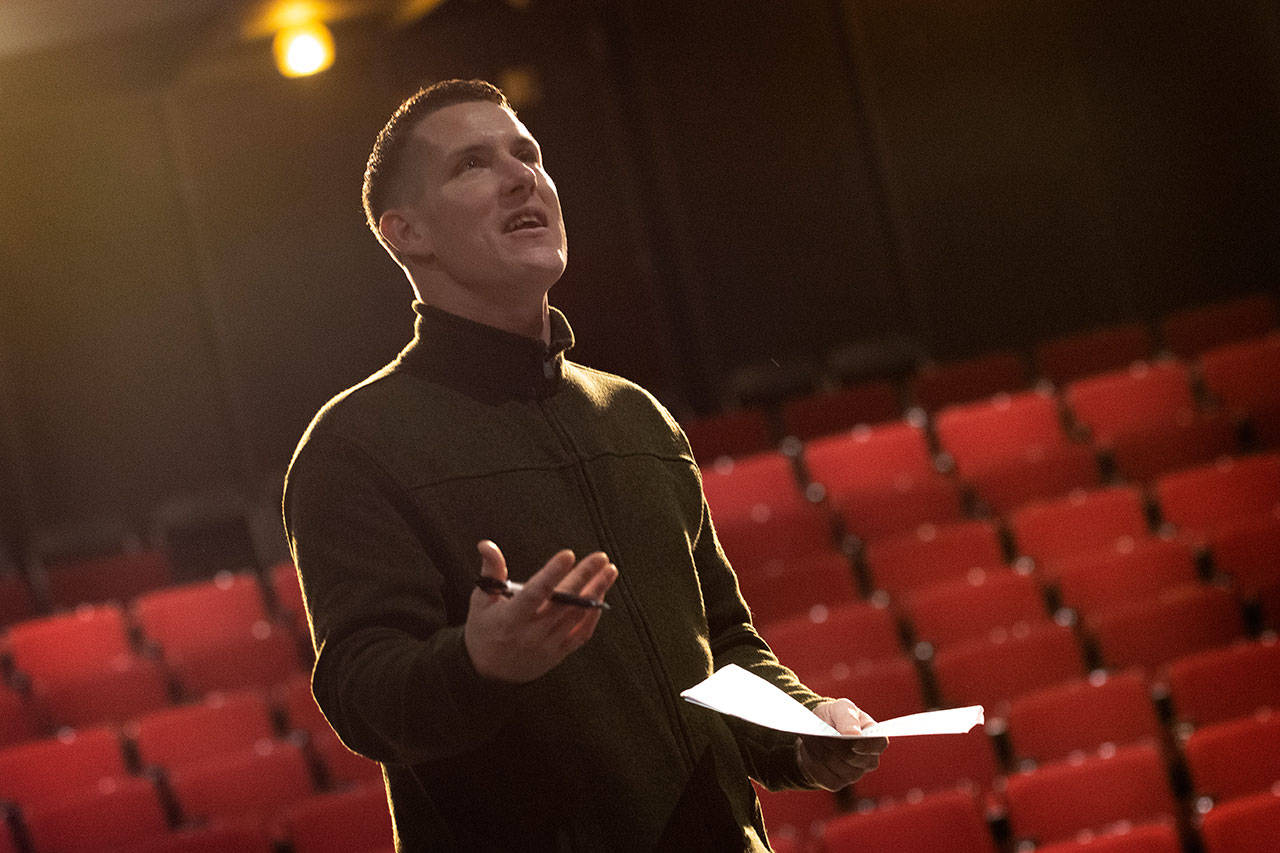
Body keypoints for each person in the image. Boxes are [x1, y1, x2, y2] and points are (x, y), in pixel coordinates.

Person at [283, 78, 887, 852]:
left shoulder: (635, 416)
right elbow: (361, 690)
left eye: (527, 153)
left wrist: (801, 728)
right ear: (406, 232)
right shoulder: (355, 446)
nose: (520, 176)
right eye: (472, 165)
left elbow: (724, 643)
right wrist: (477, 662)